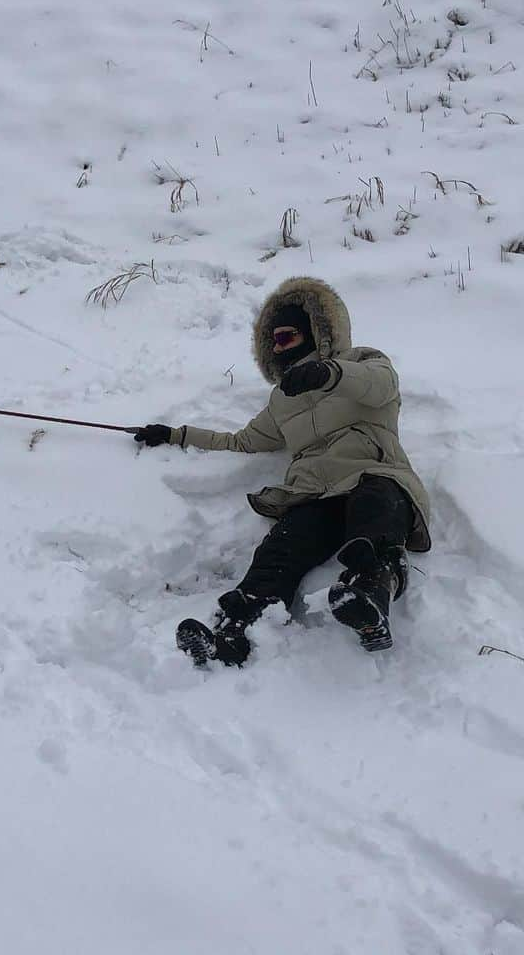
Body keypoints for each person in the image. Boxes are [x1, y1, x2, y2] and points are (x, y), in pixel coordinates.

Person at [134, 277, 430, 667]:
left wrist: (331, 374)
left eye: (286, 336)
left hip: (373, 475)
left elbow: (380, 387)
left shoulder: (363, 362)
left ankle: (372, 593)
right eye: (272, 340)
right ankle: (234, 634)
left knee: (374, 508)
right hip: (315, 495)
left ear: (314, 333)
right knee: (281, 549)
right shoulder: (282, 400)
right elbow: (240, 441)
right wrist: (175, 433)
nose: (277, 346)